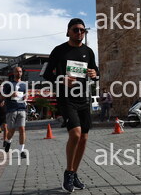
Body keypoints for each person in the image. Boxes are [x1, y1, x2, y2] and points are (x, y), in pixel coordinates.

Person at [43, 18, 99, 193]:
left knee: (84, 137)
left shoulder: (88, 51)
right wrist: (61, 79)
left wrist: (95, 74)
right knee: (75, 134)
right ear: (68, 32)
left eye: (83, 30)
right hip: (66, 99)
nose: (79, 32)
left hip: (84, 99)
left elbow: (95, 72)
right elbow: (46, 73)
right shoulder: (59, 50)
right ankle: (68, 172)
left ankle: (74, 173)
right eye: (76, 30)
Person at [3, 66, 28, 158]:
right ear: (13, 73)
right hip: (11, 109)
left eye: (20, 71)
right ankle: (8, 141)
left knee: (22, 129)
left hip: (21, 109)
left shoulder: (24, 84)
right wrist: (10, 94)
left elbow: (26, 95)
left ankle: (21, 151)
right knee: (11, 130)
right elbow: (3, 96)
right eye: (17, 71)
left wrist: (26, 97)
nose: (19, 73)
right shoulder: (8, 84)